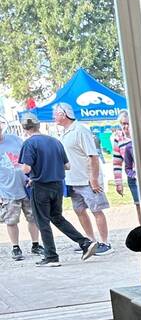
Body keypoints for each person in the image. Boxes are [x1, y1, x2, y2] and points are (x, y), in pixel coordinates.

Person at [18, 114, 98, 266]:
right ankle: (85, 243)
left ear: (25, 128)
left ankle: (51, 256)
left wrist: (29, 173)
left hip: (40, 186)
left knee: (42, 221)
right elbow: (67, 166)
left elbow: (26, 167)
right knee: (57, 217)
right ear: (38, 125)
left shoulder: (29, 143)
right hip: (57, 185)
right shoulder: (55, 141)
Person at [54, 103, 111, 255]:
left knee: (96, 210)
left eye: (56, 113)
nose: (54, 116)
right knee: (79, 210)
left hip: (87, 180)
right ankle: (90, 241)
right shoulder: (64, 133)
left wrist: (93, 178)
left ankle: (105, 243)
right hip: (72, 181)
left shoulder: (80, 130)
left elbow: (92, 156)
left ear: (63, 114)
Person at [0, 122, 41, 261]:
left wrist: (32, 176)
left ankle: (36, 244)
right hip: (7, 190)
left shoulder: (15, 139)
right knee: (11, 220)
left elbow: (29, 157)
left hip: (26, 186)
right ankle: (15, 247)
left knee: (33, 217)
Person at [112, 109, 141, 225]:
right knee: (139, 205)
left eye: (128, 123)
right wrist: (118, 182)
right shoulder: (117, 137)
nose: (126, 126)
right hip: (133, 177)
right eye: (123, 123)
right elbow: (117, 162)